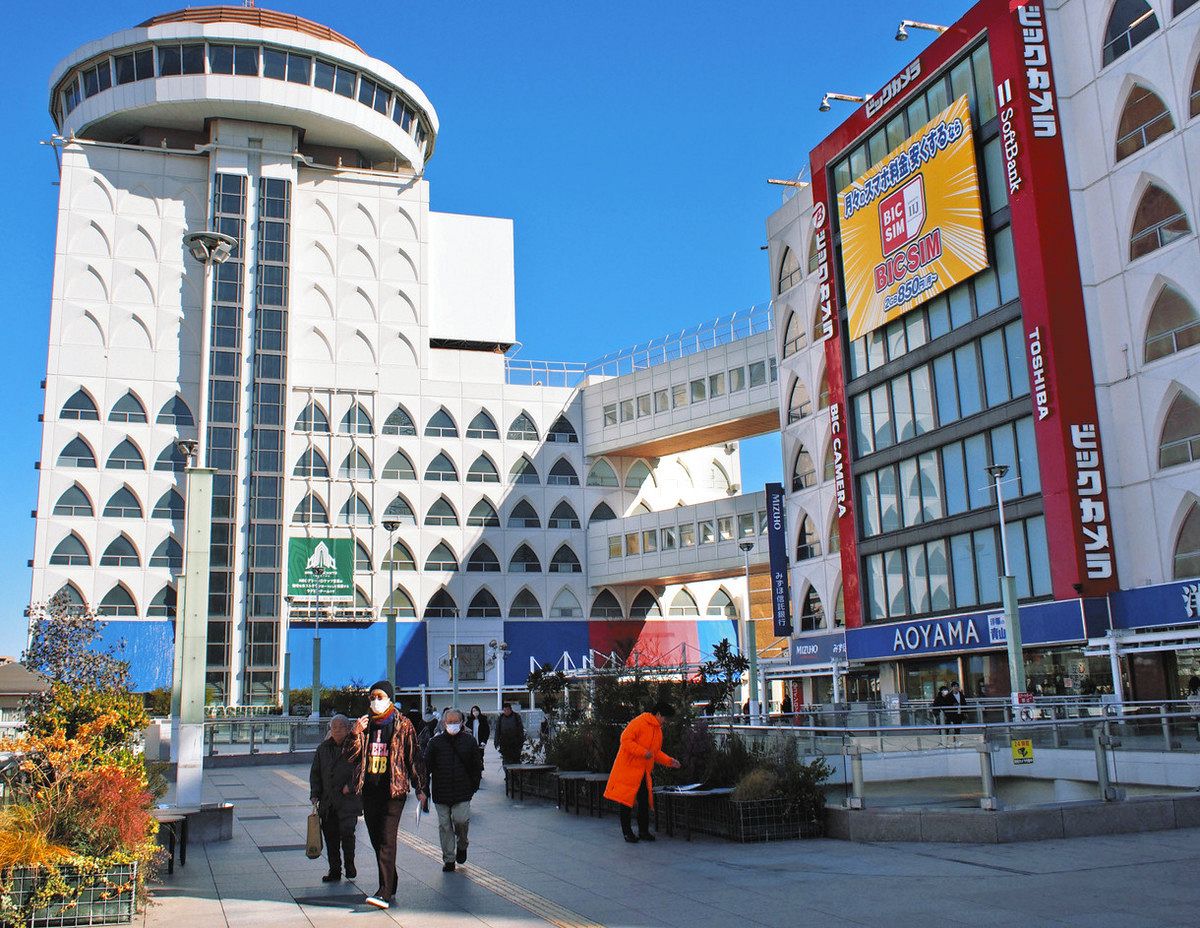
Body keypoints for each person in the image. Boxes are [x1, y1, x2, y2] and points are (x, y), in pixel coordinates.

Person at [344, 680, 426, 911]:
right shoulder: (364, 724)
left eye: (380, 696)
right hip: (369, 790)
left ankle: (384, 891)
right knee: (375, 839)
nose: (376, 701)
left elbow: (414, 757)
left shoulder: (403, 724)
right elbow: (349, 758)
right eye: (372, 697)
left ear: (389, 698)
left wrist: (420, 788)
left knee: (386, 840)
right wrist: (354, 734)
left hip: (393, 791)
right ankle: (392, 879)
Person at [603, 701, 682, 844]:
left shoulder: (657, 730)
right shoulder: (639, 722)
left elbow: (655, 753)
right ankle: (627, 833)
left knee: (644, 801)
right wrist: (642, 752)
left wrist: (669, 761)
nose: (666, 722)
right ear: (658, 714)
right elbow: (625, 740)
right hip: (628, 770)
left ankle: (643, 831)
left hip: (643, 772)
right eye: (665, 718)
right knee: (626, 802)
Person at [424, 709, 482, 872]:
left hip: (463, 791)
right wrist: (422, 788)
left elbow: (476, 765)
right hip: (441, 791)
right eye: (449, 722)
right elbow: (426, 767)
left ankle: (462, 845)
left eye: (456, 721)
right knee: (444, 826)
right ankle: (449, 859)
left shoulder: (469, 741)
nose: (452, 725)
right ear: (443, 723)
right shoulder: (435, 743)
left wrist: (474, 785)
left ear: (462, 722)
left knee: (461, 821)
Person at [309, 714, 360, 883]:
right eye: (334, 727)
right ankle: (334, 869)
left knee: (347, 834)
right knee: (330, 837)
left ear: (348, 729)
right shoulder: (323, 748)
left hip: (348, 801)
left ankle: (350, 865)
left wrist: (351, 786)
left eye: (341, 727)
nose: (337, 730)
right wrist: (315, 794)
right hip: (328, 801)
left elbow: (362, 771)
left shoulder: (355, 747)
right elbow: (315, 773)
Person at [493, 702, 525, 767]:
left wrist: (521, 742)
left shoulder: (516, 716)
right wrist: (496, 742)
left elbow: (521, 730)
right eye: (504, 710)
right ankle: (507, 776)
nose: (506, 711)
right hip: (504, 744)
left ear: (510, 709)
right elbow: (497, 731)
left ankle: (515, 776)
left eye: (507, 710)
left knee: (516, 761)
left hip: (515, 744)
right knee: (506, 761)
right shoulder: (501, 718)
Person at [468, 706, 491, 772]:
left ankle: (479, 770)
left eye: (476, 710)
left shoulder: (483, 720)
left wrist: (484, 741)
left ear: (479, 711)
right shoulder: (470, 721)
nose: (475, 712)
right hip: (472, 743)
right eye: (473, 711)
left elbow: (487, 731)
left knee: (480, 757)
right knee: (472, 757)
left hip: (481, 742)